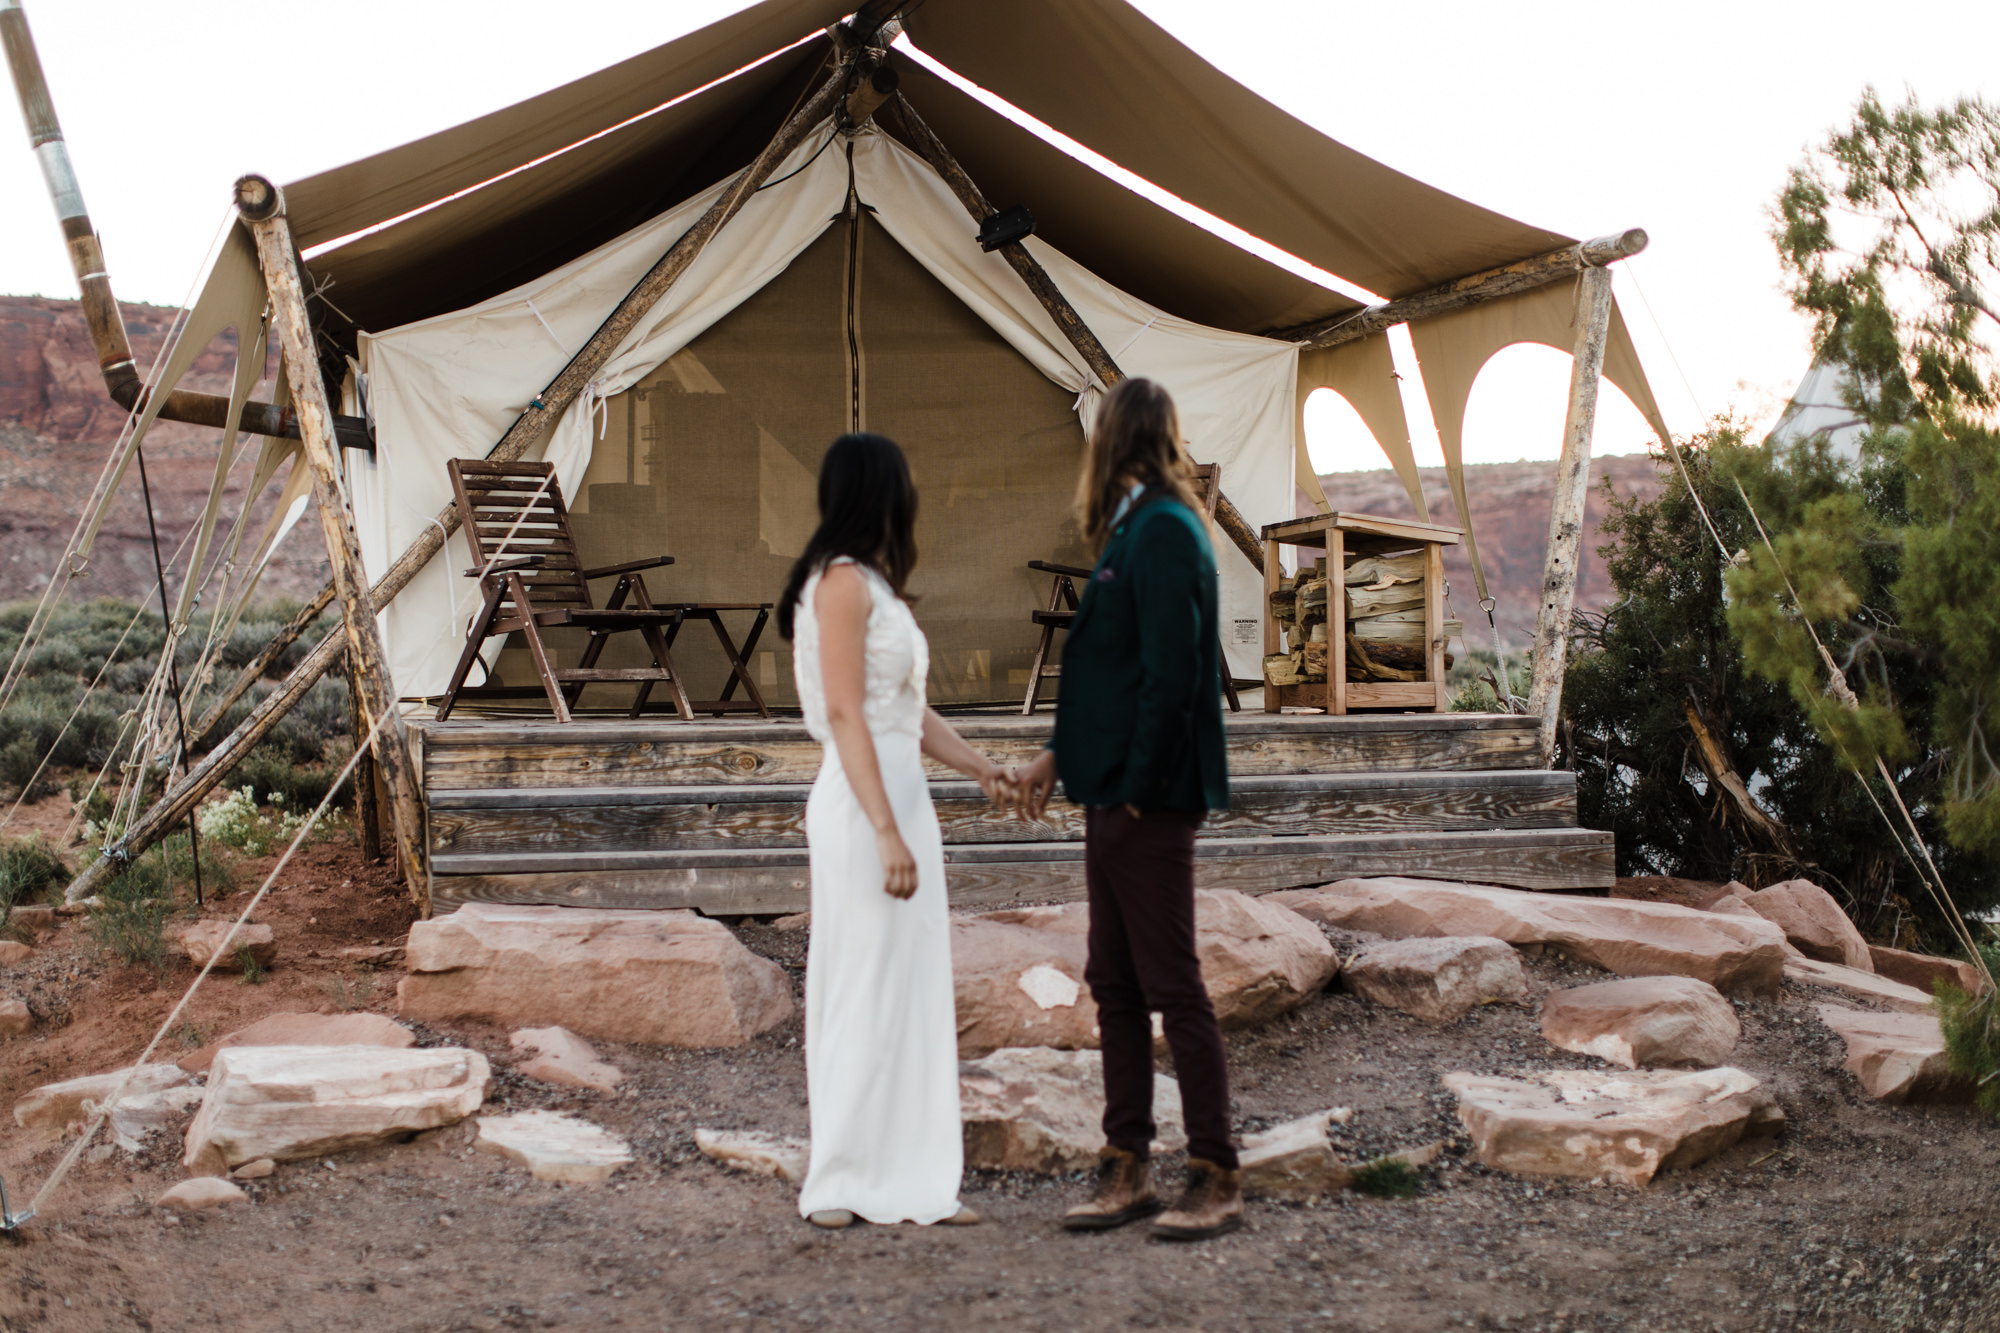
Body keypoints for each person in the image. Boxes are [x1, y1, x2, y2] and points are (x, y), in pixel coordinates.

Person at [1011, 378, 1240, 1241]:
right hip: (1107, 790)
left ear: (1117, 436)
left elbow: (1175, 674)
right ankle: (1127, 1167)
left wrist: (1138, 789)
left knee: (1173, 984)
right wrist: (1056, 759)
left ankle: (1215, 1172)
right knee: (1114, 983)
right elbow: (1108, 678)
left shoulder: (1168, 532)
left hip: (1146, 797)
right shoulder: (1130, 529)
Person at [778, 432, 1012, 1231]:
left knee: (909, 987)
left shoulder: (873, 581)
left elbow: (906, 712)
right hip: (861, 803)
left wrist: (981, 768)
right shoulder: (840, 583)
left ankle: (914, 1178)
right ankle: (841, 1178)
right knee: (861, 983)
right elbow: (846, 711)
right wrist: (883, 828)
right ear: (880, 490)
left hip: (905, 799)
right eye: (905, 480)